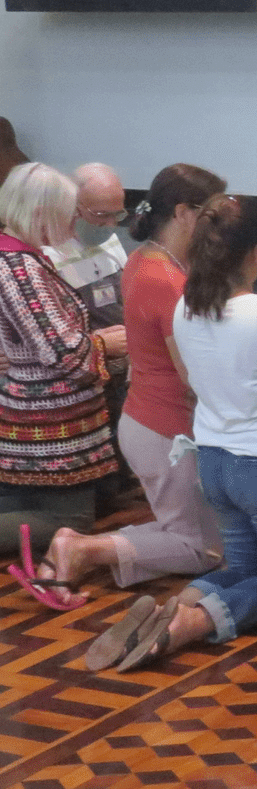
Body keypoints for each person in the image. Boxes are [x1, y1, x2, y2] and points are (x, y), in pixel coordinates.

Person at [86, 195, 257, 672]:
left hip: (216, 462)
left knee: (240, 568)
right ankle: (190, 625)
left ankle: (166, 611)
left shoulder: (186, 311)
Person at [36, 164, 225, 606]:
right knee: (203, 549)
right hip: (164, 428)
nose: (217, 226)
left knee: (196, 533)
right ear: (184, 212)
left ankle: (79, 545)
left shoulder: (147, 259)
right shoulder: (165, 280)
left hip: (148, 419)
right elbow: (191, 377)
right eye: (211, 215)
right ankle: (80, 548)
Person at [0, 164, 126, 574]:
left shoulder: (20, 258)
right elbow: (63, 355)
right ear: (41, 214)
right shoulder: (20, 269)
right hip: (47, 419)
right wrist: (107, 344)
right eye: (67, 212)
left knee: (32, 505)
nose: (73, 222)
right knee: (69, 522)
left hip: (45, 415)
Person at [45, 163, 129, 332]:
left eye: (117, 214)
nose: (111, 224)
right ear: (72, 206)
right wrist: (97, 342)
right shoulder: (47, 253)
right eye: (102, 215)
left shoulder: (108, 239)